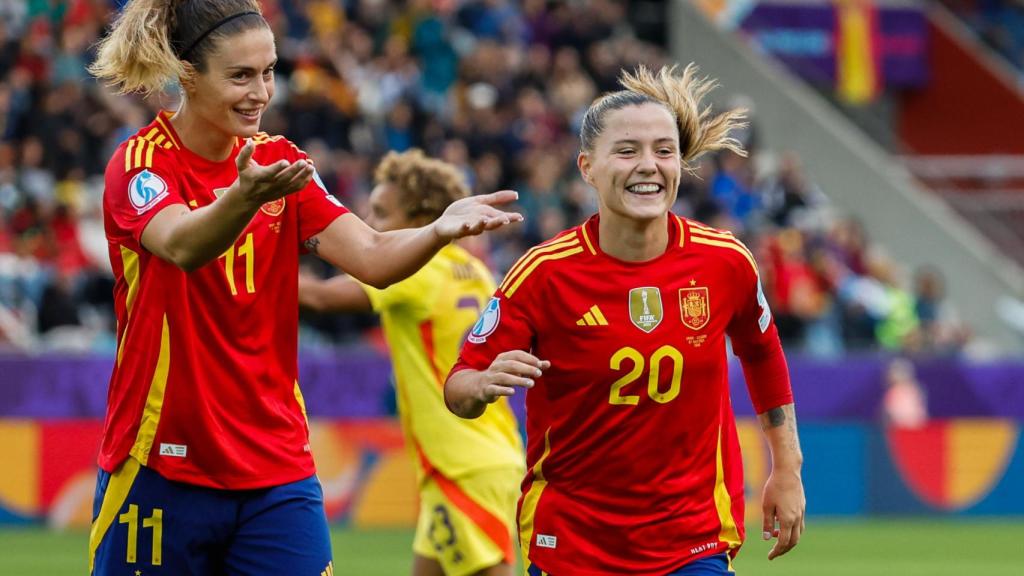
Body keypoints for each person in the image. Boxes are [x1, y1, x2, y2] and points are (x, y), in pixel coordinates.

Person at [85, 2, 520, 575]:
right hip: (162, 460)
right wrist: (245, 197)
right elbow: (183, 246)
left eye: (269, 71)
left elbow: (371, 256)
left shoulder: (282, 163)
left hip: (278, 467)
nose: (261, 92)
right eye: (240, 76)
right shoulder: (142, 164)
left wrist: (437, 230)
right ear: (187, 75)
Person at [445, 65, 806, 575]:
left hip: (693, 541)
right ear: (587, 167)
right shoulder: (542, 274)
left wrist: (787, 467)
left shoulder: (725, 262)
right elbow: (458, 386)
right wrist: (481, 383)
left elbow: (762, 351)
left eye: (664, 150)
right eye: (627, 150)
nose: (649, 166)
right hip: (573, 544)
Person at [298, 149, 525, 576]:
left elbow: (320, 297)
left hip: (462, 465)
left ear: (422, 217)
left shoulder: (418, 271)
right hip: (478, 455)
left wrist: (234, 265)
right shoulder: (471, 269)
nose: (371, 229)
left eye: (382, 215)